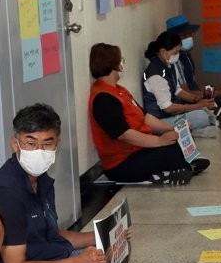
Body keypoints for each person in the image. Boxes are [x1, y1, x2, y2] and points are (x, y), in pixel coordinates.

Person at [0, 104, 150, 263]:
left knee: (104, 254)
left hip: (42, 262)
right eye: (31, 143)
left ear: (56, 144)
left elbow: (53, 234)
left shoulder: (40, 179)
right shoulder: (6, 194)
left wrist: (103, 238)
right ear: (16, 143)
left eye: (46, 143)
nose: (39, 151)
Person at [88, 43, 208, 185]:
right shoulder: (103, 98)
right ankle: (181, 167)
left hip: (138, 149)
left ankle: (184, 166)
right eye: (121, 60)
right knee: (171, 151)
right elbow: (124, 135)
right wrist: (159, 141)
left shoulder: (119, 90)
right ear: (114, 64)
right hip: (122, 163)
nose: (122, 64)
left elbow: (146, 118)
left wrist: (172, 129)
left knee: (177, 139)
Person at [165, 14, 221, 126]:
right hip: (187, 100)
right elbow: (184, 92)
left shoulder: (185, 55)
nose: (188, 38)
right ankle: (214, 118)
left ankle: (216, 117)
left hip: (195, 95)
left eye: (189, 34)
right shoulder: (175, 60)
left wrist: (217, 89)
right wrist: (214, 94)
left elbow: (193, 84)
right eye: (184, 36)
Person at [140, 30, 219, 138]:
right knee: (201, 116)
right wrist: (197, 106)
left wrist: (197, 99)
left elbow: (177, 90)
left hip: (172, 114)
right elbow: (168, 108)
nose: (177, 56)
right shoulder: (155, 75)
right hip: (160, 121)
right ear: (163, 52)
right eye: (175, 53)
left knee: (205, 110)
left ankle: (188, 130)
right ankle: (187, 131)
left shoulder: (169, 65)